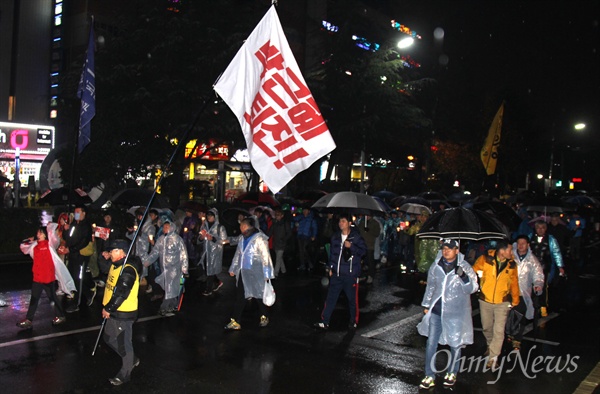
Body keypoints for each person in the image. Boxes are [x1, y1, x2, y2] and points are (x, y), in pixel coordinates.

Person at [417, 239, 478, 389]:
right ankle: (429, 375)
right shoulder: (436, 265)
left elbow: (473, 288)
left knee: (455, 343)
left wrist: (463, 277)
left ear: (457, 250)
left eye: (450, 248)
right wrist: (426, 304)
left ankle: (452, 372)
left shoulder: (464, 267)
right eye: (444, 248)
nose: (446, 251)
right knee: (431, 343)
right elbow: (431, 285)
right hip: (437, 311)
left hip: (456, 312)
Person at [472, 240, 520, 369]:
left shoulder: (512, 265)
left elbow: (514, 283)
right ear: (502, 251)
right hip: (485, 299)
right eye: (510, 250)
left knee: (499, 331)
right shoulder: (485, 258)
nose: (512, 252)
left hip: (502, 301)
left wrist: (515, 300)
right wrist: (478, 276)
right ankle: (490, 344)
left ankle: (493, 358)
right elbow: (473, 271)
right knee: (487, 327)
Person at [314, 214, 366, 330]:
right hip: (337, 274)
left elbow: (363, 251)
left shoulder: (355, 237)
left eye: (343, 221)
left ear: (348, 223)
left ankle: (353, 321)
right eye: (339, 221)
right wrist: (330, 268)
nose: (340, 223)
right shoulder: (335, 237)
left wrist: (351, 246)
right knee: (330, 299)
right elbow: (332, 254)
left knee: (352, 300)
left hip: (350, 275)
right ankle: (325, 321)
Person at [101, 239, 142, 386]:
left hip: (123, 313)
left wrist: (108, 308)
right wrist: (104, 257)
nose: (111, 252)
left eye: (114, 250)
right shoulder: (116, 265)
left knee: (124, 344)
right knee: (108, 338)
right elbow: (105, 271)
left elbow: (121, 294)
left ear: (122, 252)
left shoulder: (128, 269)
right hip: (113, 311)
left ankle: (124, 374)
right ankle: (131, 359)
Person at [225, 217, 274, 330]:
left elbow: (266, 257)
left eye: (241, 225)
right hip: (244, 272)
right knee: (241, 296)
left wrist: (267, 275)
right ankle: (236, 321)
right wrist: (233, 268)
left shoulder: (259, 239)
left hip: (256, 272)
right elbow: (238, 254)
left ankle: (264, 315)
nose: (240, 228)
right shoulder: (242, 238)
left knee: (259, 295)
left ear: (246, 226)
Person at [17, 227, 68, 329]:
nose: (38, 234)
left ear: (45, 234)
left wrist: (50, 229)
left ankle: (61, 316)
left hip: (48, 278)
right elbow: (23, 245)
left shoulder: (50, 245)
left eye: (40, 233)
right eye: (37, 233)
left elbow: (55, 238)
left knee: (53, 298)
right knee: (34, 299)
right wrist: (30, 239)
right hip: (37, 278)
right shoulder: (35, 246)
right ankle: (29, 320)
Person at [144, 219, 188, 315]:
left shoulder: (177, 239)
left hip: (174, 269)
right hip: (164, 269)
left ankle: (164, 307)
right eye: (164, 227)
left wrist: (184, 269)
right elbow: (155, 252)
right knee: (169, 288)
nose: (165, 229)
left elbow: (183, 255)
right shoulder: (161, 239)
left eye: (167, 227)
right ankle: (173, 305)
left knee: (170, 288)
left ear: (172, 227)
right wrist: (147, 261)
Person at [511, 235, 544, 350]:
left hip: (523, 293)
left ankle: (517, 339)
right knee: (507, 316)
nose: (520, 246)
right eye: (519, 243)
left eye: (523, 243)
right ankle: (510, 333)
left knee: (520, 316)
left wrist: (538, 285)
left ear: (528, 245)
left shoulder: (532, 260)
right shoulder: (510, 256)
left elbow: (538, 274)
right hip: (508, 293)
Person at [61, 204, 96, 312]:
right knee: (74, 277)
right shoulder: (74, 224)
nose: (76, 214)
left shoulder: (86, 226)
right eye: (75, 212)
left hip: (81, 256)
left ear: (83, 213)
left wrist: (71, 249)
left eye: (78, 212)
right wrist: (66, 230)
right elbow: (68, 238)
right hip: (72, 255)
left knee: (78, 278)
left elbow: (84, 242)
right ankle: (89, 292)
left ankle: (77, 303)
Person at [529, 220, 565, 316]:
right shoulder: (529, 237)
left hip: (545, 267)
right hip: (530, 267)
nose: (540, 230)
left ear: (546, 229)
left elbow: (556, 252)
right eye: (538, 228)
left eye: (542, 228)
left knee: (543, 287)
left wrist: (560, 266)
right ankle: (531, 306)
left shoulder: (551, 239)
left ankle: (543, 306)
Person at [126, 208, 156, 294]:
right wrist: (131, 232)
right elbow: (132, 237)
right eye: (138, 216)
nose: (139, 217)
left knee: (144, 272)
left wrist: (151, 239)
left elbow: (152, 239)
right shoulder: (137, 224)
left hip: (145, 252)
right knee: (136, 270)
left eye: (141, 215)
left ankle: (146, 288)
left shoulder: (150, 227)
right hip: (135, 251)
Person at [198, 208, 228, 295]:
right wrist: (201, 238)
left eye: (211, 215)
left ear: (215, 216)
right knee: (208, 269)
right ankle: (217, 282)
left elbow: (224, 240)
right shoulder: (204, 226)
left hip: (215, 252)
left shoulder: (220, 227)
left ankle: (209, 289)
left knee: (210, 269)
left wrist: (214, 239)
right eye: (208, 215)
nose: (209, 217)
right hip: (206, 251)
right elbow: (199, 238)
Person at [358, 215, 381, 284]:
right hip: (361, 244)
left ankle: (370, 275)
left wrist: (369, 230)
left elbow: (377, 233)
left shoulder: (375, 223)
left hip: (370, 245)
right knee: (360, 260)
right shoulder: (362, 222)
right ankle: (361, 275)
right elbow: (358, 231)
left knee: (370, 261)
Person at [294, 206, 318, 272]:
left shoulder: (311, 219)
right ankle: (302, 265)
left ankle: (310, 264)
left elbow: (314, 228)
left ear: (309, 211)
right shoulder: (301, 217)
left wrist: (314, 236)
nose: (304, 212)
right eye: (303, 210)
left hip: (307, 236)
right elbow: (294, 219)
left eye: (306, 210)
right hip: (300, 235)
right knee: (301, 251)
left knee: (305, 250)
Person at [269, 208, 291, 277]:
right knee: (279, 258)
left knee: (278, 258)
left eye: (278, 215)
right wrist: (265, 237)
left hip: (282, 243)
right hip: (276, 243)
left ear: (282, 215)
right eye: (276, 215)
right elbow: (270, 232)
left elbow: (289, 233)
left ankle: (275, 273)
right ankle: (283, 270)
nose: (277, 216)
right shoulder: (274, 223)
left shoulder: (285, 223)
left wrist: (284, 239)